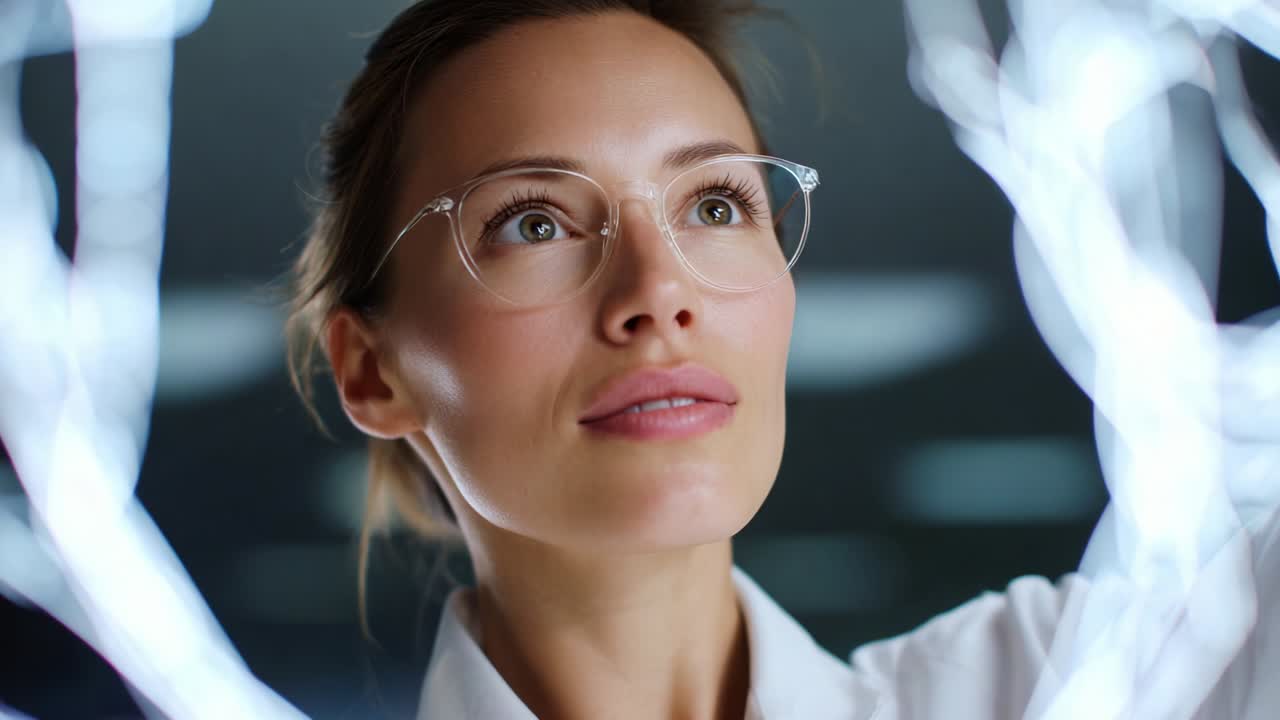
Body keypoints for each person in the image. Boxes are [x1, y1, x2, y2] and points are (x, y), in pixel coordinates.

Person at [285, 1, 1279, 718]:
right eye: (534, 221)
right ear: (372, 372)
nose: (656, 293)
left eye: (713, 205)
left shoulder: (1087, 685)